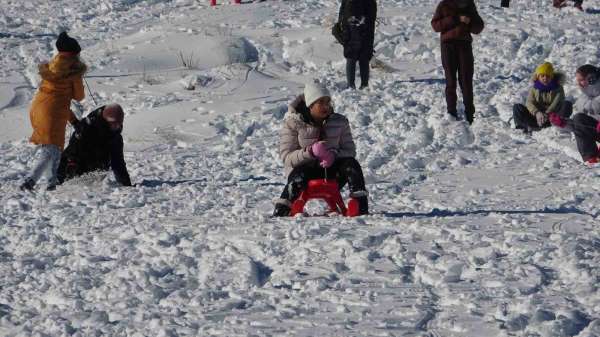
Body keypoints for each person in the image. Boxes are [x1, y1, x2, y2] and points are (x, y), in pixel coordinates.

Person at [273, 82, 368, 216]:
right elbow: (287, 157)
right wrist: (310, 152)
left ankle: (360, 206)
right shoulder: (293, 124)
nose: (326, 106)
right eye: (321, 102)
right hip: (305, 173)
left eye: (328, 102)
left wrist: (333, 154)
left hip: (331, 171)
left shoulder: (340, 122)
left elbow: (350, 150)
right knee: (299, 174)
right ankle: (282, 210)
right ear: (310, 105)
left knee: (352, 164)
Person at [20, 32, 86, 191]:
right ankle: (32, 181)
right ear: (74, 54)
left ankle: (50, 182)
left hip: (39, 108)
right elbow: (79, 96)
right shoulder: (72, 71)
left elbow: (58, 102)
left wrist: (74, 120)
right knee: (52, 149)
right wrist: (79, 76)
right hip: (52, 113)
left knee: (51, 148)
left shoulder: (52, 66)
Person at [431, 0, 484, 124]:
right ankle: (451, 112)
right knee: (450, 80)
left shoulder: (469, 4)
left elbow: (479, 27)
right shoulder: (444, 4)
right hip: (447, 46)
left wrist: (469, 22)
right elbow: (435, 25)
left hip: (464, 46)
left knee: (466, 80)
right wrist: (455, 19)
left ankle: (470, 113)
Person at [56, 104, 132, 186]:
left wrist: (126, 184)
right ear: (105, 120)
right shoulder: (86, 128)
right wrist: (71, 169)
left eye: (118, 124)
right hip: (73, 169)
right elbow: (73, 151)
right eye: (113, 124)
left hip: (95, 175)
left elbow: (118, 163)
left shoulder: (116, 138)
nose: (116, 127)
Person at [549, 65, 600, 164]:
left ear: (591, 79)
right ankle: (591, 160)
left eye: (581, 80)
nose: (578, 83)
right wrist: (564, 123)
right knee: (579, 118)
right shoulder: (584, 99)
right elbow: (580, 125)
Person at [513, 62, 571, 134]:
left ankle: (558, 127)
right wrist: (537, 113)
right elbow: (529, 102)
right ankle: (522, 128)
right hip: (536, 118)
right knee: (517, 107)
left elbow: (557, 103)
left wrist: (547, 114)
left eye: (547, 76)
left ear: (551, 77)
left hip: (552, 118)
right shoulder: (534, 88)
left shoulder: (558, 88)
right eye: (542, 76)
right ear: (538, 77)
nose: (545, 78)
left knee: (567, 104)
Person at [338, 0, 377, 89]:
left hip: (354, 27)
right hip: (358, 27)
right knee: (359, 56)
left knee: (355, 55)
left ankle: (355, 85)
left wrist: (342, 24)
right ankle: (361, 85)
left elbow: (343, 11)